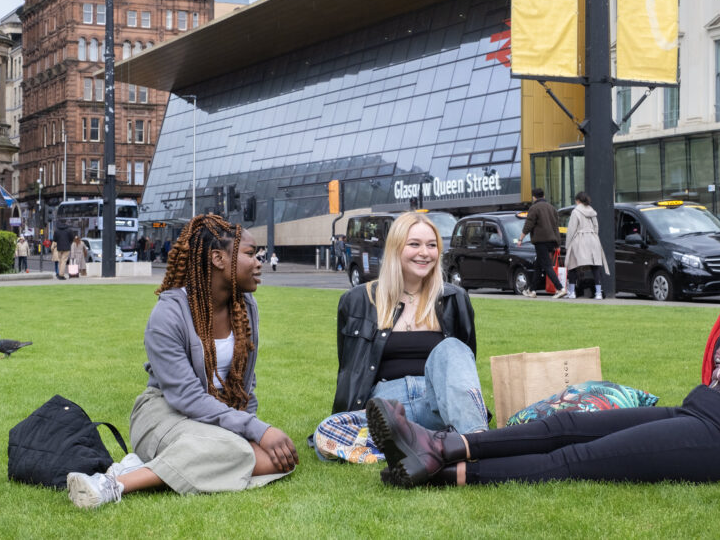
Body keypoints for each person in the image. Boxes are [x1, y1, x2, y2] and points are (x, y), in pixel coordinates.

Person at [367, 203, 720, 489]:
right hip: (704, 411)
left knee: (582, 460)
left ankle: (443, 474)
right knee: (565, 426)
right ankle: (444, 446)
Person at [65, 214, 298, 509]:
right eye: (250, 254)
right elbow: (186, 397)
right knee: (240, 452)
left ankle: (146, 466)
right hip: (164, 412)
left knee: (277, 460)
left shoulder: (246, 307)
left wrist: (250, 429)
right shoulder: (168, 315)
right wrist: (257, 430)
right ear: (217, 258)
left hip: (216, 418)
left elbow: (245, 384)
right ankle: (113, 484)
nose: (259, 262)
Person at [313, 211, 488, 464]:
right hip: (386, 404)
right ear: (396, 248)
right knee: (326, 432)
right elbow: (351, 365)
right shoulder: (360, 300)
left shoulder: (454, 299)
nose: (424, 253)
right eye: (414, 244)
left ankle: (476, 443)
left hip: (436, 401)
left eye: (431, 246)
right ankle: (432, 443)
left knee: (452, 348)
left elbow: (463, 365)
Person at [518, 187, 566, 299]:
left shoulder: (534, 208)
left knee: (547, 266)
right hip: (552, 241)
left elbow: (528, 225)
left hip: (541, 241)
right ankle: (532, 290)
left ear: (534, 197)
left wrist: (520, 239)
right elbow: (556, 226)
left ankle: (560, 288)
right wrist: (558, 243)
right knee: (538, 266)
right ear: (543, 196)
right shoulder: (552, 208)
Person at [564, 192, 608, 300]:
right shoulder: (592, 211)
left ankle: (572, 292)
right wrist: (593, 236)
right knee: (595, 266)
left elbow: (571, 229)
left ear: (578, 200)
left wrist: (568, 244)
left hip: (579, 239)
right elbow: (596, 227)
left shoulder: (575, 212)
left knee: (572, 265)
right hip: (593, 239)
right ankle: (598, 293)